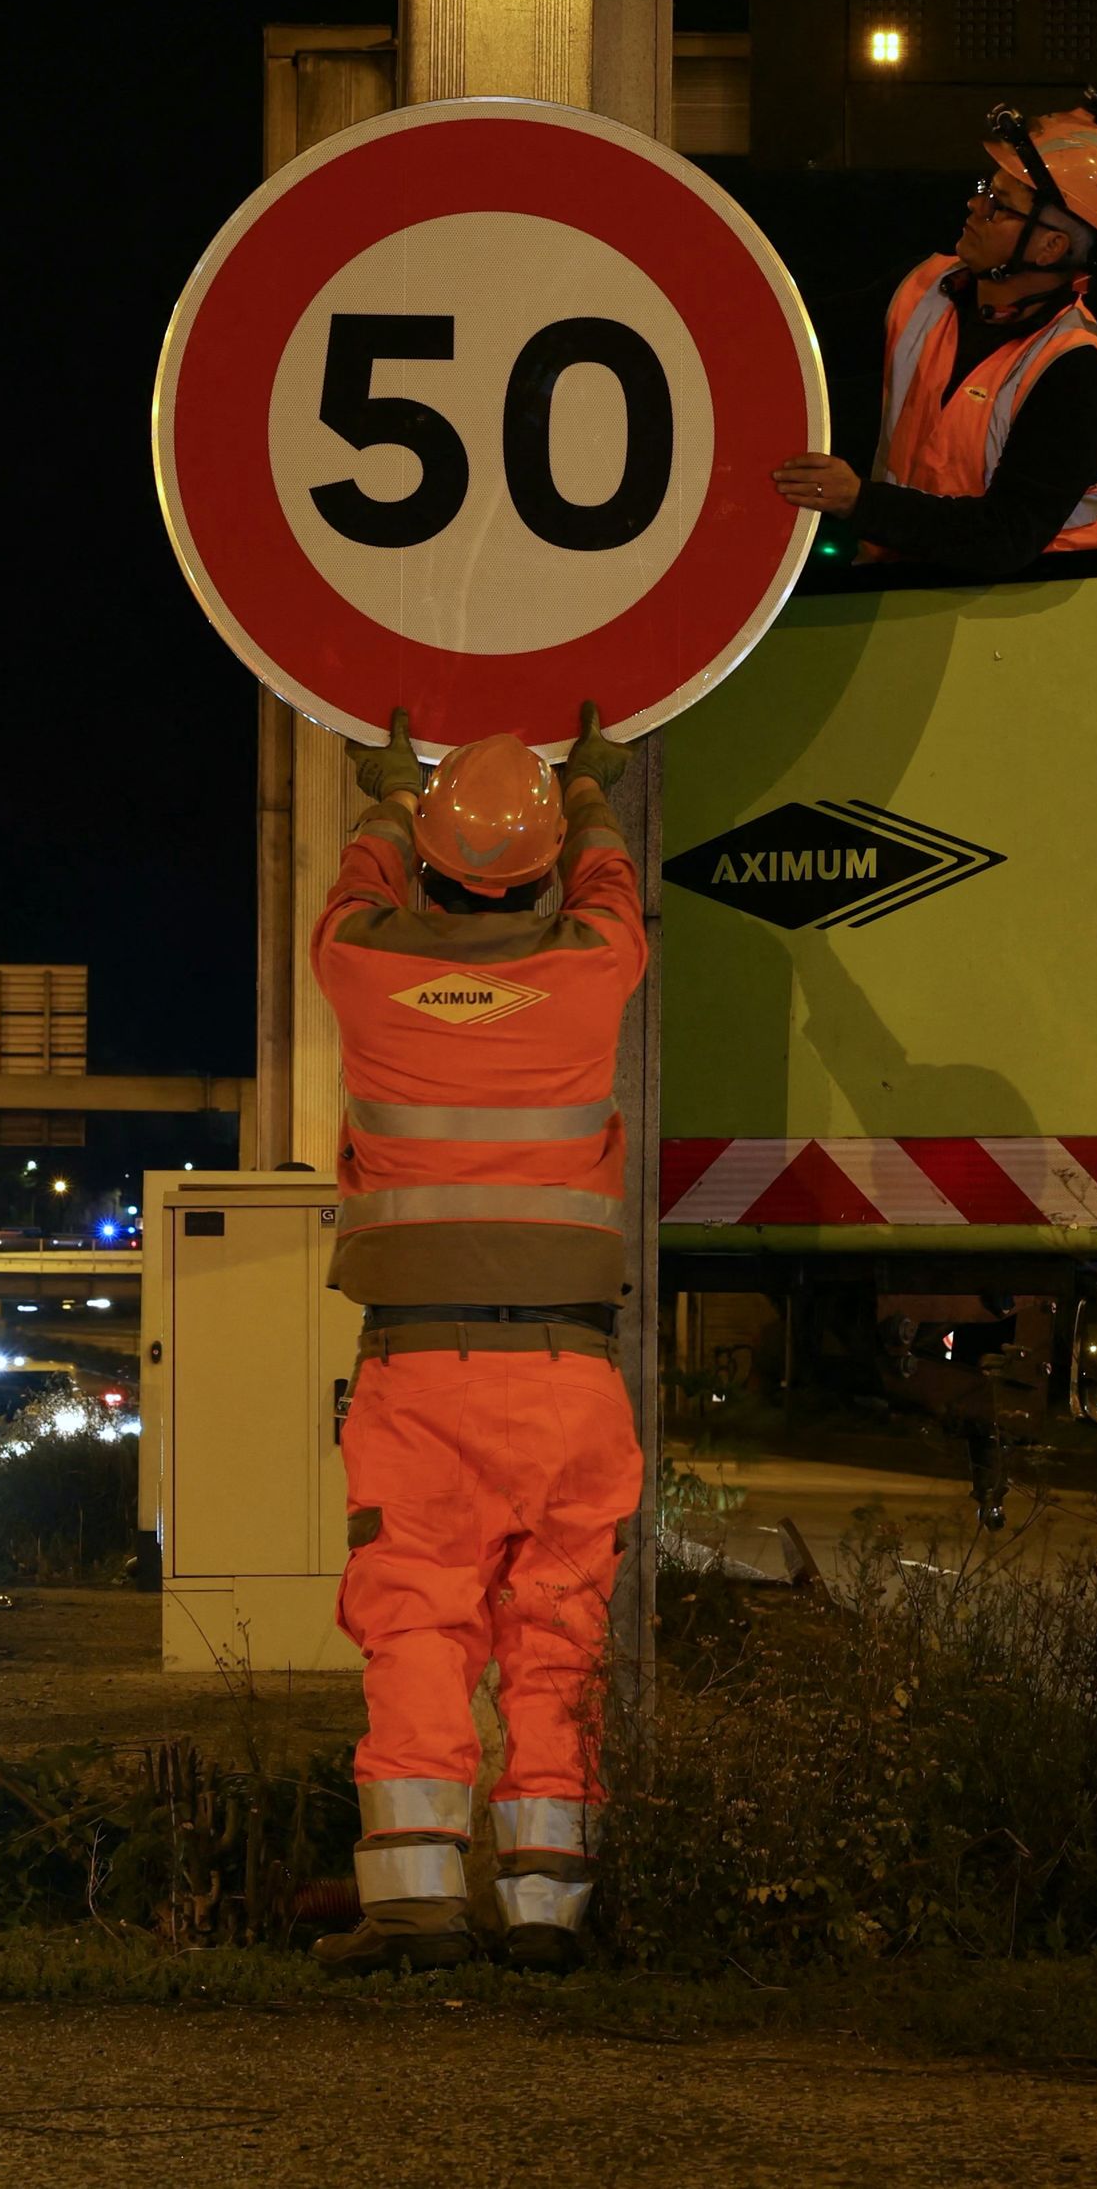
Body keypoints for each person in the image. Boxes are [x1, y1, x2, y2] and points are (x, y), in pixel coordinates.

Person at [304, 702, 647, 1975]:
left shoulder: (360, 967)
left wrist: (389, 794)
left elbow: (355, 885)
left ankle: (414, 1904)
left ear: (429, 861)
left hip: (420, 1370)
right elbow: (610, 885)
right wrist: (598, 789)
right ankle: (549, 1910)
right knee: (556, 1635)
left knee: (417, 1628)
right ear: (550, 865)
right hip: (569, 1373)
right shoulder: (594, 964)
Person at [771, 95, 1097, 575]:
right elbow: (793, 345)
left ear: (1050, 247)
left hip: (1029, 617)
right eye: (984, 190)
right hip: (909, 591)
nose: (975, 205)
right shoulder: (922, 290)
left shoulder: (1072, 371)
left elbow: (1007, 536)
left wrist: (859, 501)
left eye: (1000, 205)